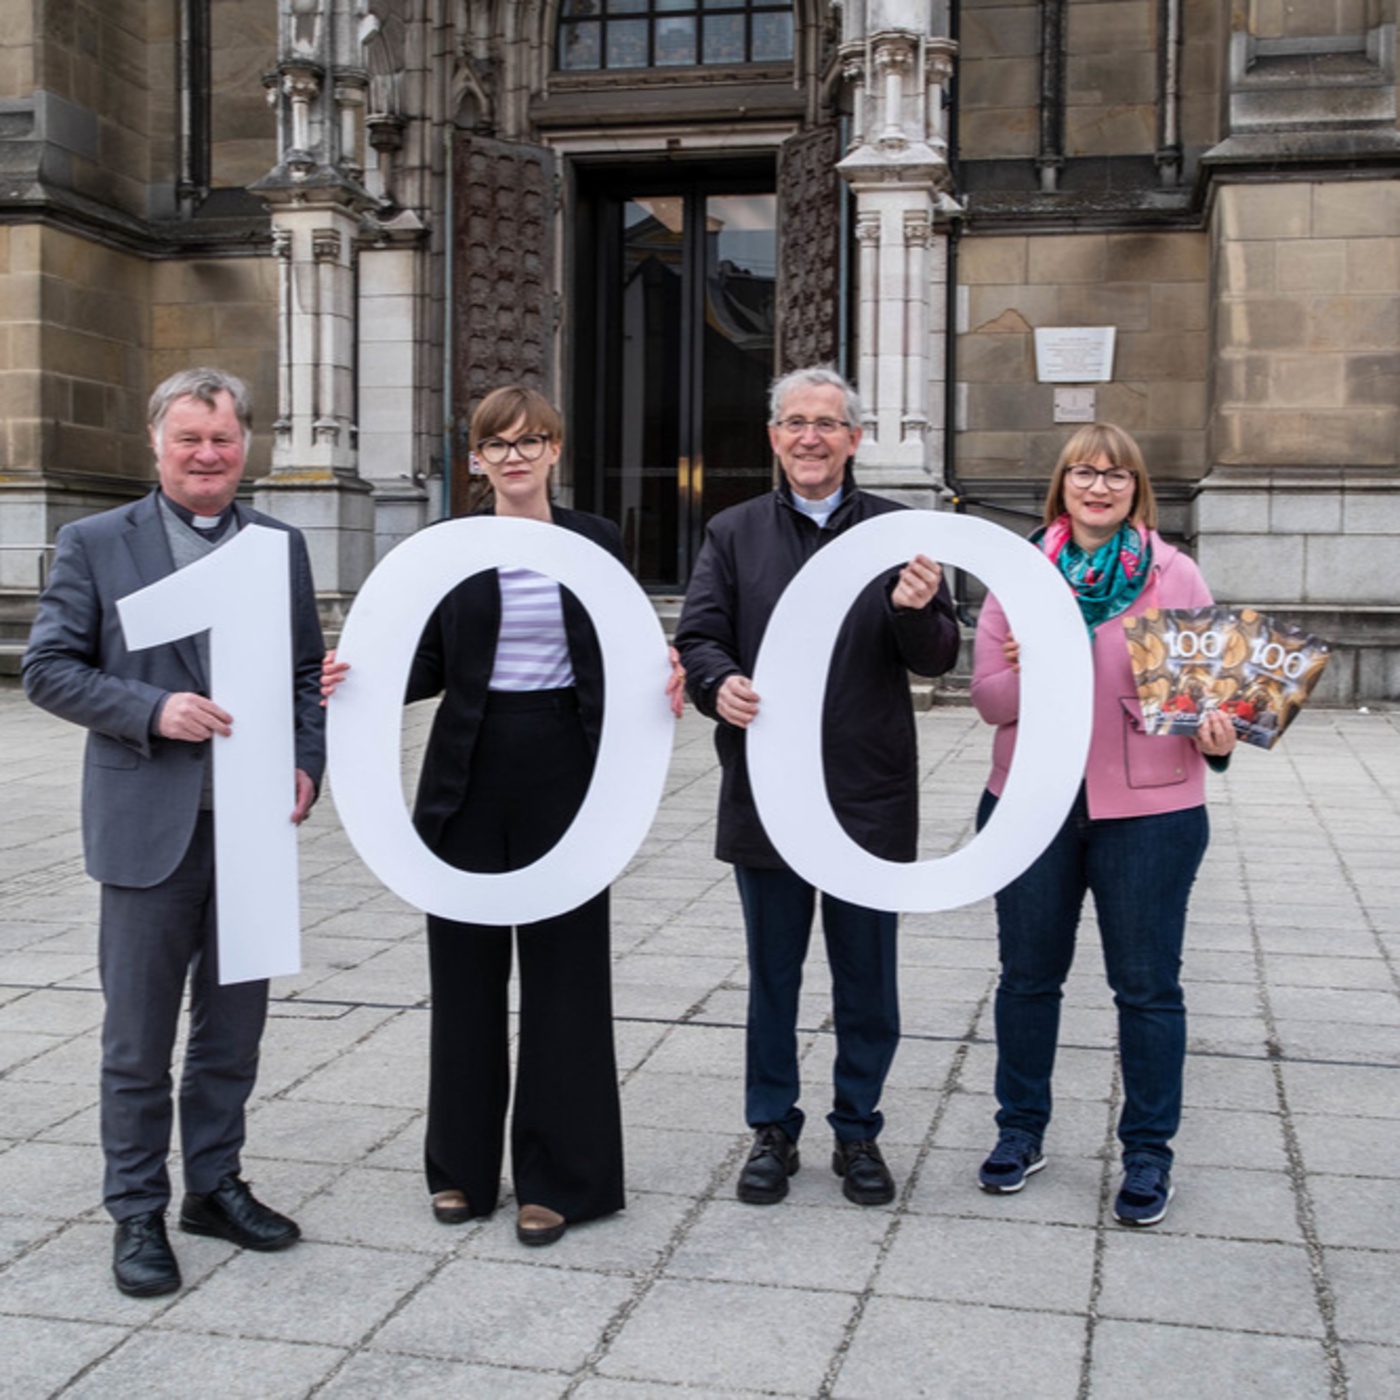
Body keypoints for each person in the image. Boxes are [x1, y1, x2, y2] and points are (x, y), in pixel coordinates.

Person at [323, 385, 684, 1247]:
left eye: (533, 441)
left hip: (569, 765)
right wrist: (353, 675)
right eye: (498, 443)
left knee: (567, 980)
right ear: (476, 458)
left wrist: (665, 672)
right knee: (466, 976)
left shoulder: (595, 541)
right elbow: (429, 662)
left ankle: (565, 1180)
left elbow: (624, 650)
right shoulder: (444, 548)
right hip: (468, 772)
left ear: (557, 451)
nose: (516, 455)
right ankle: (461, 1170)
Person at [22, 368, 325, 1296]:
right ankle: (137, 1212)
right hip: (149, 823)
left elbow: (308, 674)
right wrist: (153, 709)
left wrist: (309, 761)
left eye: (223, 440)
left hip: (251, 835)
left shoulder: (280, 544)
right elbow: (47, 669)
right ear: (155, 444)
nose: (207, 456)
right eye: (189, 439)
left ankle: (215, 1185)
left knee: (233, 1032)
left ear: (246, 446)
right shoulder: (94, 542)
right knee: (138, 1038)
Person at [674, 366, 960, 1208]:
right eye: (795, 422)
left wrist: (918, 608)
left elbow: (938, 656)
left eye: (827, 424)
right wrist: (716, 682)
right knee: (775, 975)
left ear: (854, 438)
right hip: (766, 790)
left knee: (867, 975)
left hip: (868, 791)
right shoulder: (732, 532)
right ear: (773, 437)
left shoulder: (898, 532)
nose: (810, 437)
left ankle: (858, 1130)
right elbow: (699, 636)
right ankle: (772, 1128)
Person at [970, 421, 1236, 1227]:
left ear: (1135, 489)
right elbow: (987, 699)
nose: (1099, 486)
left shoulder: (1173, 573)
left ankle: (1148, 1152)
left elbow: (1209, 698)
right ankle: (1021, 1131)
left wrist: (1219, 739)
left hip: (1151, 814)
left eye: (1116, 474)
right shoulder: (1020, 574)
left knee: (1148, 988)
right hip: (1031, 804)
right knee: (1026, 979)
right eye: (1083, 472)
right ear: (1062, 484)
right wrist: (1036, 670)